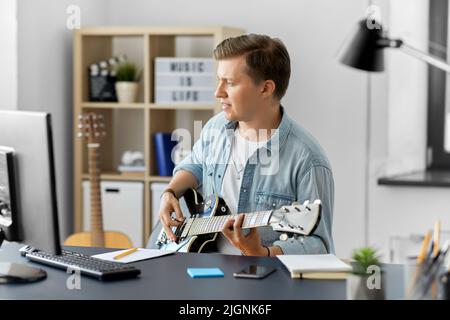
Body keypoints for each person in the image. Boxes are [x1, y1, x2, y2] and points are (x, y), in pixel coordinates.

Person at [158, 34, 334, 256]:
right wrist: (170, 192)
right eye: (219, 80)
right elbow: (195, 165)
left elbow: (319, 245)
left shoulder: (308, 160)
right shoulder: (216, 127)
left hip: (266, 284)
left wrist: (263, 253)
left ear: (265, 89)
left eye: (229, 83)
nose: (218, 92)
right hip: (204, 273)